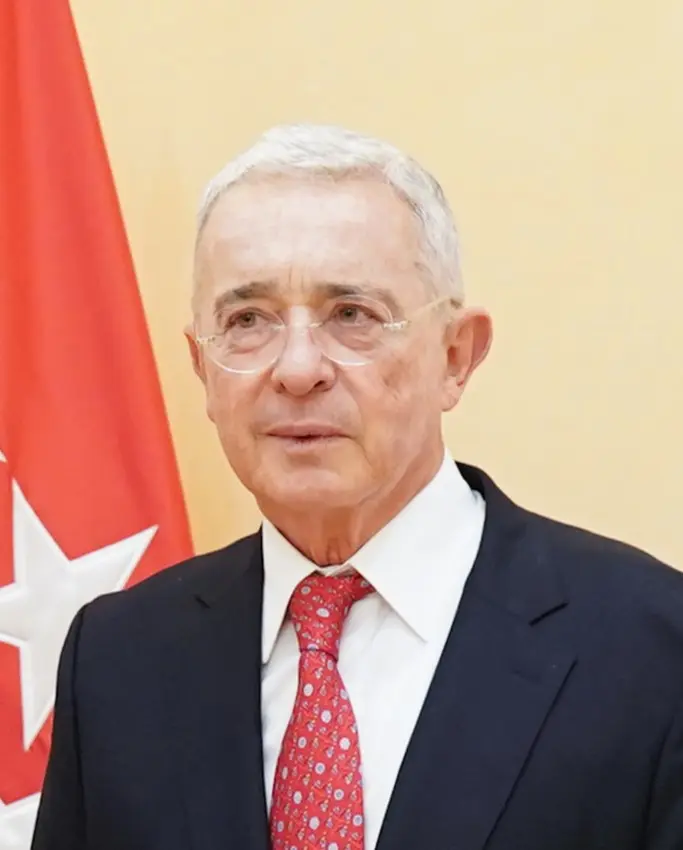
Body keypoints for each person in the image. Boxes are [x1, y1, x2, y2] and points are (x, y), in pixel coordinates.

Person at [33, 123, 683, 850]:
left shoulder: (654, 649)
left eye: (351, 315)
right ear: (202, 368)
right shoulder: (116, 659)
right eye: (247, 321)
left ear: (455, 357)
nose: (297, 369)